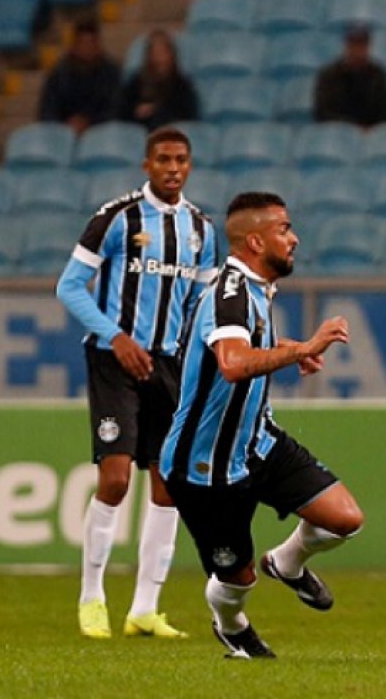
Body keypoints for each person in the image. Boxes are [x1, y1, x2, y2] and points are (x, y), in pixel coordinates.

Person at [159, 192, 365, 659]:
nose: (293, 239)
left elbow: (237, 349)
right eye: (284, 230)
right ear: (255, 240)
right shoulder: (230, 292)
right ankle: (232, 627)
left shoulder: (252, 287)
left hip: (256, 442)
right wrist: (299, 348)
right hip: (205, 465)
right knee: (237, 577)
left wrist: (293, 347)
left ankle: (288, 563)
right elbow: (232, 364)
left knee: (344, 519)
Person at [55, 126, 219, 640]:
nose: (173, 168)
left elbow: (202, 306)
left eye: (181, 160)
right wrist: (115, 335)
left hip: (170, 367)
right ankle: (92, 599)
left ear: (190, 166)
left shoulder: (201, 231)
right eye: (164, 159)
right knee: (116, 478)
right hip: (114, 360)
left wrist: (205, 358)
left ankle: (145, 608)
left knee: (169, 487)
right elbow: (68, 287)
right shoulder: (116, 219)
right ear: (146, 165)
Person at [39, 17, 122, 134]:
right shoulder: (59, 74)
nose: (87, 48)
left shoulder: (112, 73)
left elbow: (116, 109)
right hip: (62, 134)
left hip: (102, 134)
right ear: (74, 45)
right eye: (83, 43)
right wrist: (66, 125)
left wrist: (90, 123)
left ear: (98, 44)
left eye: (91, 42)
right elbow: (47, 110)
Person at [116, 29, 200, 131]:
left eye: (163, 52)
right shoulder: (136, 83)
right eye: (155, 53)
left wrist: (157, 111)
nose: (160, 59)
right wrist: (137, 112)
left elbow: (189, 118)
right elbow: (120, 113)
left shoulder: (182, 86)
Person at [313, 23, 386, 127]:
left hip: (371, 135)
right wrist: (352, 128)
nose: (358, 50)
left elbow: (384, 113)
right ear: (346, 45)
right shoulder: (328, 76)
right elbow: (323, 113)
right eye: (354, 44)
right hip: (337, 133)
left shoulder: (378, 75)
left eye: (362, 44)